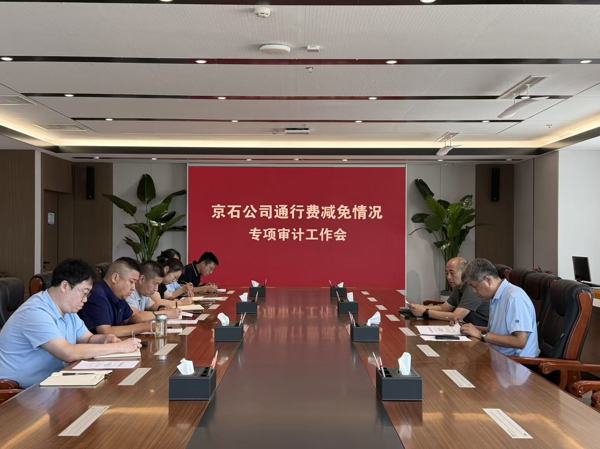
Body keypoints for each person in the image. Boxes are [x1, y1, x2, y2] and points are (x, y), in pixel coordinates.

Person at [0, 259, 141, 388]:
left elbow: (88, 338)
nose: (85, 300)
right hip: (18, 393)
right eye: (84, 293)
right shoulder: (35, 312)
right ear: (65, 286)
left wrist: (105, 339)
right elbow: (67, 352)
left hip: (52, 383)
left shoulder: (68, 310)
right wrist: (119, 347)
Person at [459, 258, 540, 357]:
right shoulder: (495, 296)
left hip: (517, 362)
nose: (474, 291)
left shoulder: (514, 297)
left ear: (488, 280)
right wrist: (471, 328)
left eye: (474, 286)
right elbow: (497, 332)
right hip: (498, 356)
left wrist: (480, 335)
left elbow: (520, 341)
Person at [78, 257, 152, 337]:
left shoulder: (118, 295)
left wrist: (157, 320)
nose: (133, 288)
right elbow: (106, 331)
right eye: (131, 282)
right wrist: (146, 327)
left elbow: (130, 318)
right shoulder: (97, 294)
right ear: (115, 278)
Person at [409, 257, 489, 326]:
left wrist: (425, 312)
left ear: (464, 272)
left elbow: (456, 316)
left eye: (452, 273)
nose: (448, 277)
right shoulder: (458, 287)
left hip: (481, 332)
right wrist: (419, 307)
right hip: (467, 327)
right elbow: (444, 308)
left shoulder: (472, 288)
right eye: (446, 273)